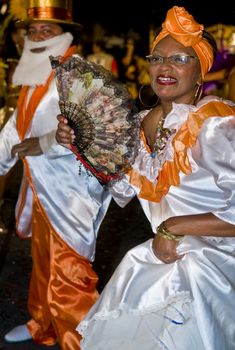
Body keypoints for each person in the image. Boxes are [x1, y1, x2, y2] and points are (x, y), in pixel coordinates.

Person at [56, 6, 235, 350]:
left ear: (201, 72)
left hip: (215, 261)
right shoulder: (135, 126)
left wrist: (175, 227)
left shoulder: (217, 125)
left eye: (180, 59)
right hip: (165, 254)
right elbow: (122, 189)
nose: (165, 68)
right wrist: (82, 144)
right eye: (157, 58)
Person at [0, 0, 128, 348]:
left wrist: (43, 142)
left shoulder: (81, 73)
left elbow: (99, 130)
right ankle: (42, 321)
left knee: (69, 270)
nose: (38, 35)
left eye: (48, 30)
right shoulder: (35, 73)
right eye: (33, 30)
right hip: (40, 187)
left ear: (66, 35)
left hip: (71, 191)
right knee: (42, 259)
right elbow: (16, 128)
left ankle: (79, 338)